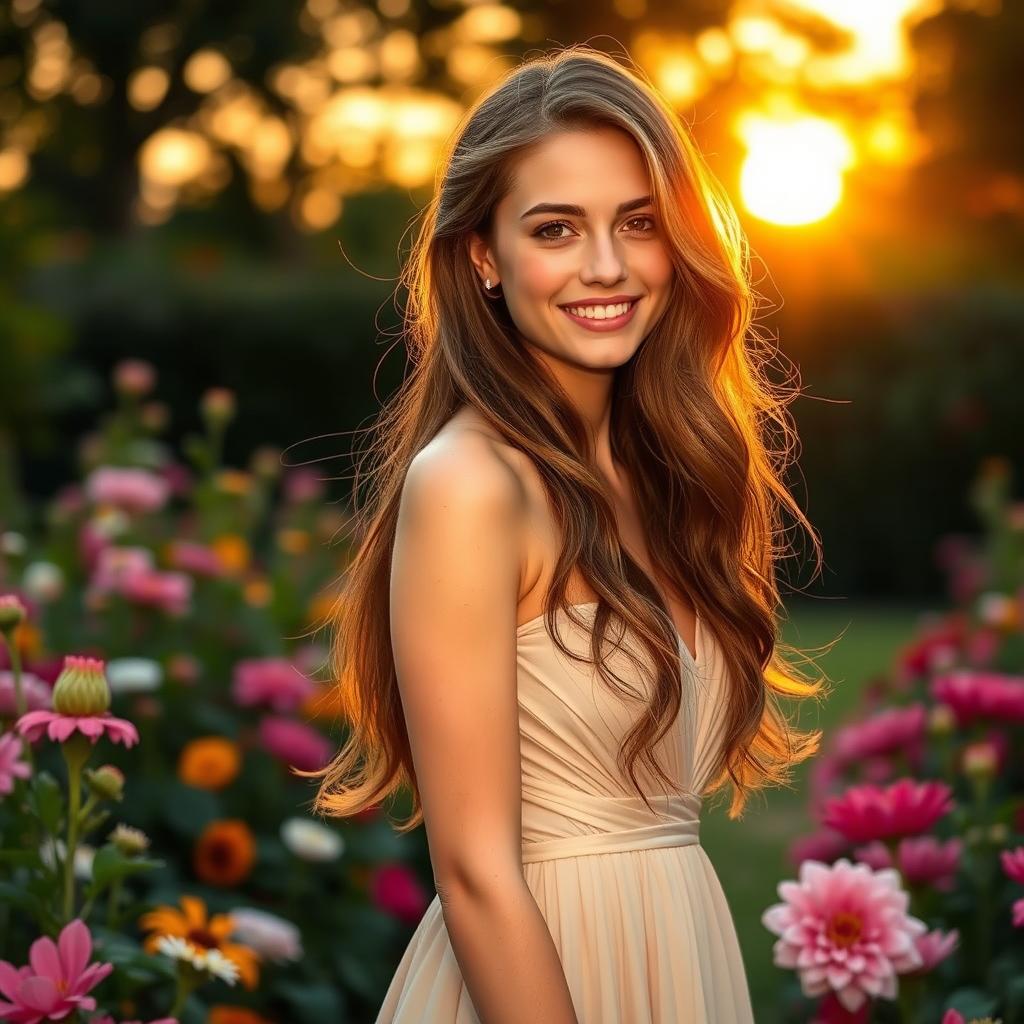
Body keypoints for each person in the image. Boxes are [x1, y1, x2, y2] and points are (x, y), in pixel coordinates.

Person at [301, 44, 825, 1024]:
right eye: (555, 228)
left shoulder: (665, 478)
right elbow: (472, 869)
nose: (606, 266)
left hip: (679, 953)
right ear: (482, 256)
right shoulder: (469, 483)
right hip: (534, 977)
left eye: (637, 222)